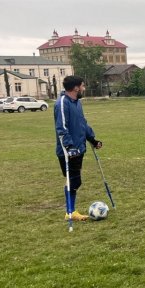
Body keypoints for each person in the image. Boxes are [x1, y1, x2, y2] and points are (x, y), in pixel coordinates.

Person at [54, 75, 102, 222]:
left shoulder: (77, 102)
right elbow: (61, 128)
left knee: (74, 181)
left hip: (79, 148)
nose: (83, 88)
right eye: (82, 86)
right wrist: (69, 147)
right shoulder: (62, 103)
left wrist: (92, 139)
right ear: (76, 88)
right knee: (73, 180)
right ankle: (70, 212)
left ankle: (71, 211)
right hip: (68, 151)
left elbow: (82, 124)